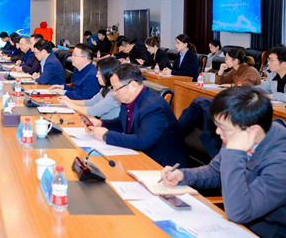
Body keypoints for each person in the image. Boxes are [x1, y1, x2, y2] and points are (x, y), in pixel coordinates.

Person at [161, 87, 286, 237]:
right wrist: (183, 175)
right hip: (236, 224)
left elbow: (239, 213)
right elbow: (216, 171)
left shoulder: (280, 162)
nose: (218, 132)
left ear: (254, 131)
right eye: (217, 124)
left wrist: (234, 153)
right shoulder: (239, 132)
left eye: (222, 127)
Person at [85, 64, 187, 167]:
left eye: (116, 88)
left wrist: (106, 136)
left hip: (162, 166)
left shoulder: (154, 106)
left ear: (132, 86)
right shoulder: (128, 99)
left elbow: (143, 141)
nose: (115, 93)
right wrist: (101, 123)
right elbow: (121, 123)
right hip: (139, 156)